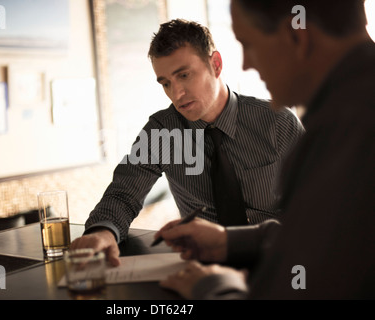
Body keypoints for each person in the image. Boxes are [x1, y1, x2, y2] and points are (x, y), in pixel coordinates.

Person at [157, 0, 375, 299]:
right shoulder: (350, 107)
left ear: (296, 36)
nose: (247, 63)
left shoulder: (347, 128)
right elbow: (325, 237)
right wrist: (230, 242)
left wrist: (211, 286)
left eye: (249, 44)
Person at [71, 19, 304, 266]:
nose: (176, 93)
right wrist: (103, 232)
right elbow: (124, 193)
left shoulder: (277, 123)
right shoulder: (161, 131)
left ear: (215, 64)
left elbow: (319, 208)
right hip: (205, 269)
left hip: (277, 261)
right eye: (166, 83)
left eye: (184, 75)